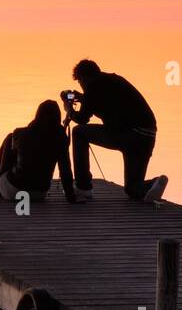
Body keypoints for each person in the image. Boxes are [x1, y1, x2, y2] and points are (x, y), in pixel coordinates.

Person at [63, 59, 167, 203]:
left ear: (84, 78)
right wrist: (84, 98)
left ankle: (83, 188)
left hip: (128, 135)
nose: (81, 85)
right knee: (132, 188)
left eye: (80, 81)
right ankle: (154, 183)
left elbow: (82, 119)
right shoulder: (113, 80)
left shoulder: (93, 87)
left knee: (79, 132)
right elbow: (109, 104)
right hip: (146, 137)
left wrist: (68, 109)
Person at [0, 100, 80, 203]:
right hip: (39, 194)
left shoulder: (19, 133)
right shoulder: (60, 138)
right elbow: (65, 170)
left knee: (9, 138)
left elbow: (7, 162)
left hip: (14, 190)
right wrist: (71, 197)